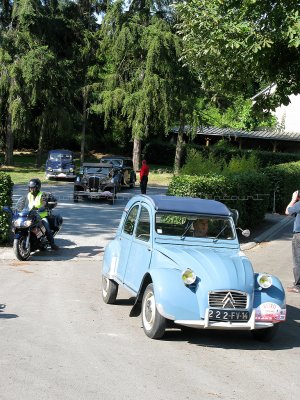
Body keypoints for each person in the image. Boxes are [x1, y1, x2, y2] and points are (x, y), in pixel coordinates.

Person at [27, 178, 59, 250]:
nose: (31, 189)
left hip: (41, 216)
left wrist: (42, 208)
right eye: (30, 188)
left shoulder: (42, 195)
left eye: (33, 188)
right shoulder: (29, 195)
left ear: (37, 187)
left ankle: (52, 244)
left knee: (46, 227)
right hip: (32, 215)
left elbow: (44, 204)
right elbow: (27, 204)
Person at [285, 190, 300, 293]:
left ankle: (297, 286)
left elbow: (287, 211)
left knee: (297, 260)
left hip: (299, 234)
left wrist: (293, 199)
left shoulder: (298, 204)